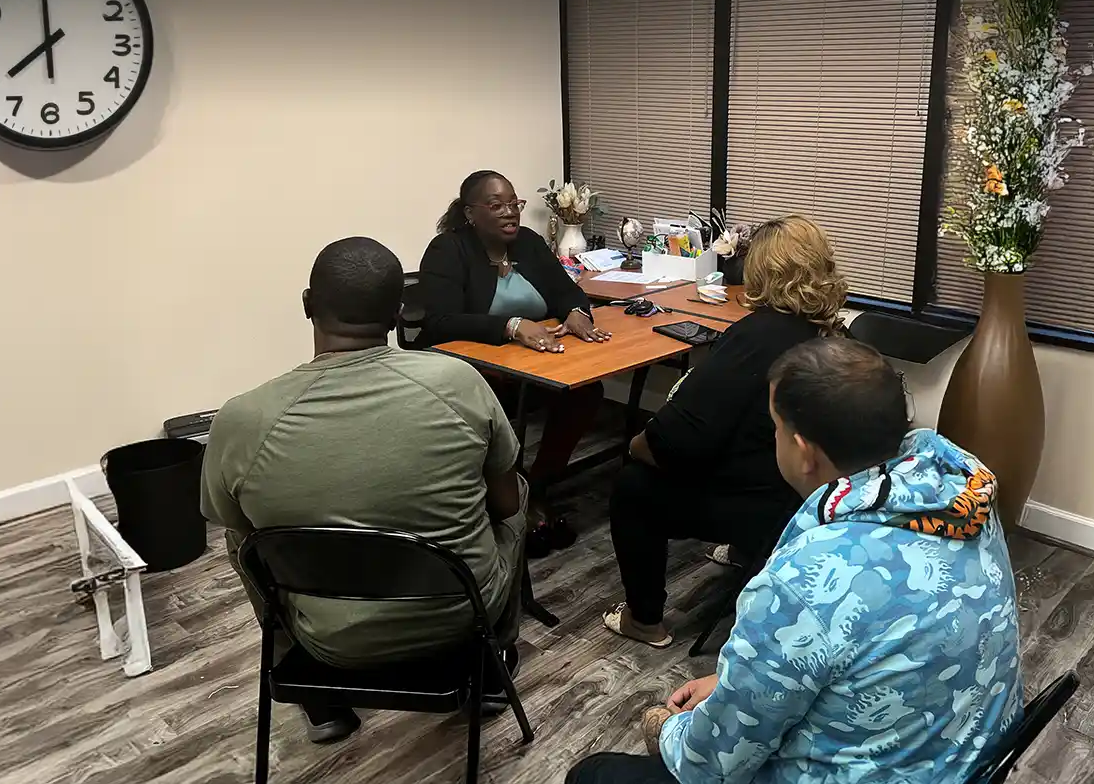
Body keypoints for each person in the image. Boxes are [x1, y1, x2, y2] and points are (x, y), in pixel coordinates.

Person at [568, 337, 1026, 783]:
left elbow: (709, 768)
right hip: (967, 758)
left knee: (593, 772)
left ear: (804, 453)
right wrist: (734, 684)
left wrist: (667, 727)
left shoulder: (802, 579)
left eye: (776, 428)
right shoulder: (961, 496)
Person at [201, 237, 526, 746]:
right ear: (398, 315)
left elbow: (240, 528)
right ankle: (489, 668)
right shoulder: (459, 381)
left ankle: (320, 701)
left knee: (242, 540)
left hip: (328, 638)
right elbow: (504, 505)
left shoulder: (240, 419)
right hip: (462, 617)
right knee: (517, 493)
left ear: (307, 305)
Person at [601, 215, 847, 648]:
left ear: (763, 272)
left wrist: (639, 445)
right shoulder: (832, 332)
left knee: (633, 486)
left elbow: (679, 438)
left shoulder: (759, 335)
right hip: (804, 498)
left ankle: (644, 620)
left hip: (765, 507)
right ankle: (744, 552)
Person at [416, 170, 610, 557]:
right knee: (498, 407)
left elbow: (567, 290)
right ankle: (506, 500)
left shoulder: (529, 243)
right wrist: (512, 325)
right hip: (469, 368)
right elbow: (439, 322)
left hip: (532, 364)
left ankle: (536, 487)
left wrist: (576, 311)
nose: (510, 212)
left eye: (514, 203)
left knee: (587, 392)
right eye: (496, 205)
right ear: (470, 213)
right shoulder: (448, 250)